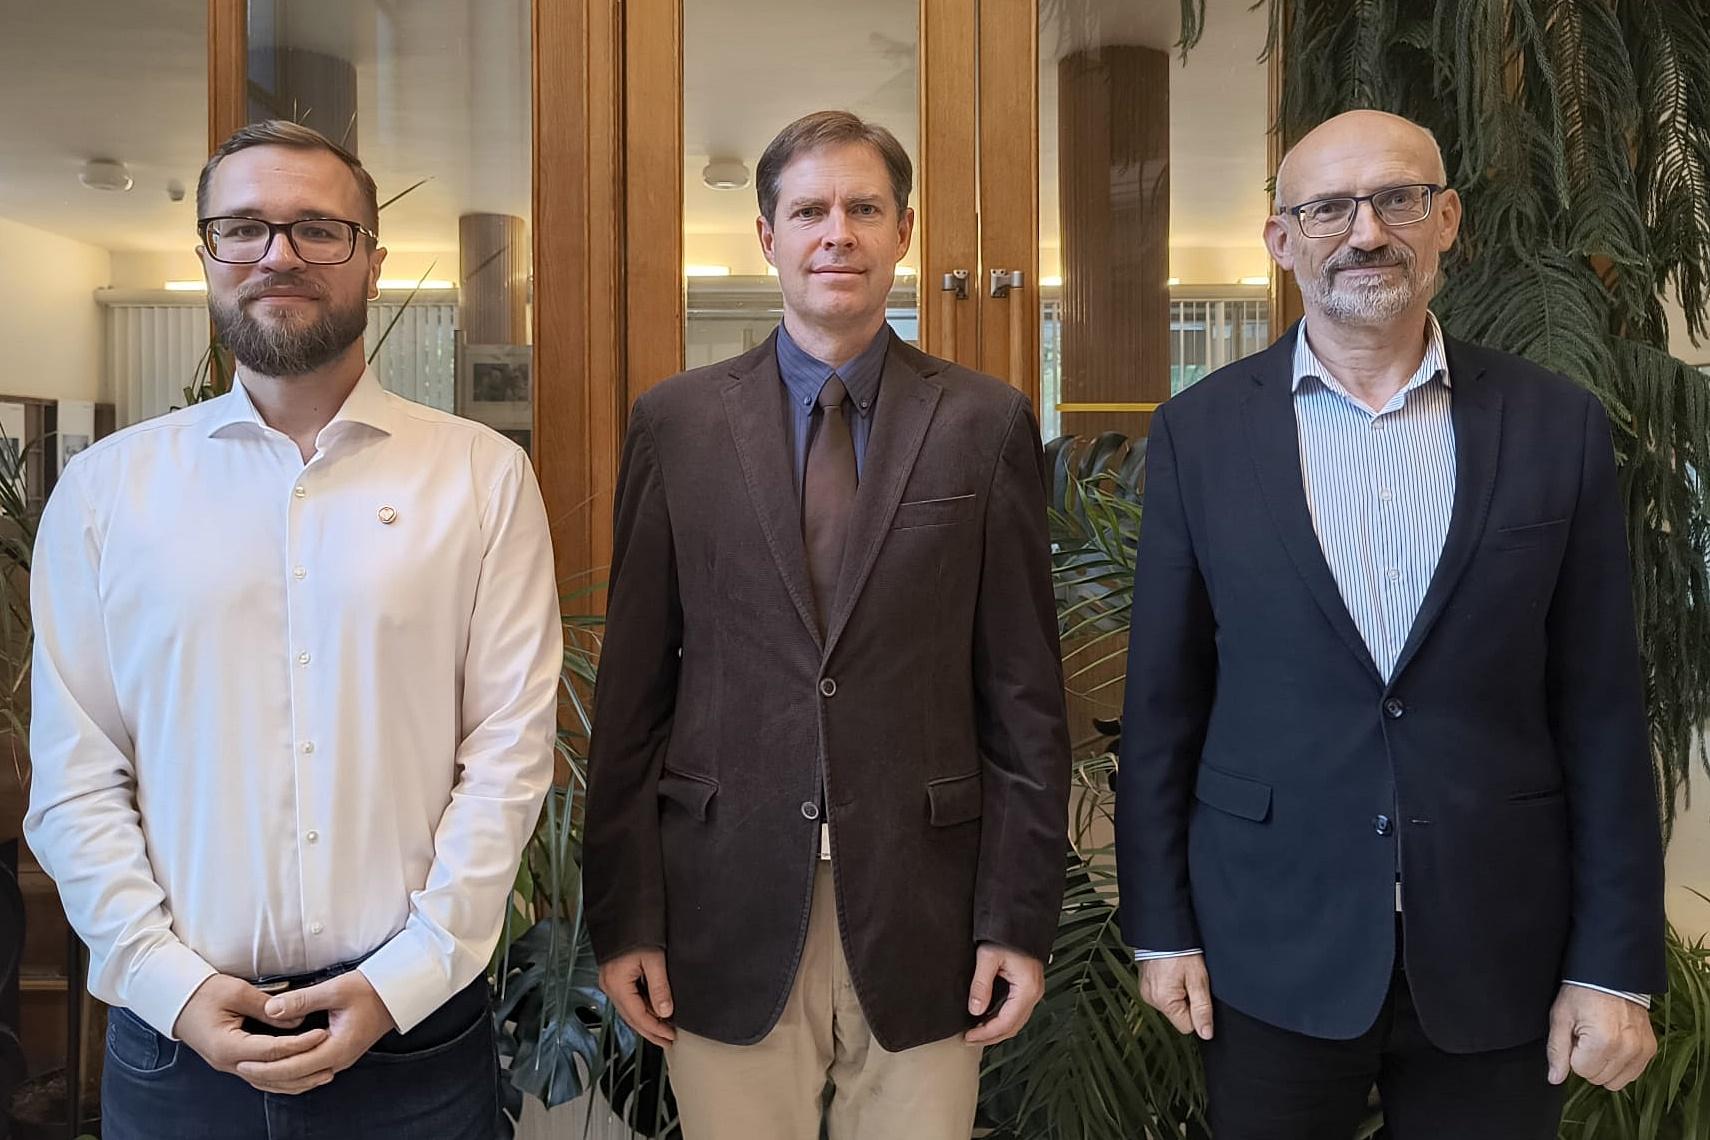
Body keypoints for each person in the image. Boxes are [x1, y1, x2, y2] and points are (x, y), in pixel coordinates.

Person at [1117, 109, 1665, 1139]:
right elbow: (1163, 705)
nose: (1365, 232)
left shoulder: (1556, 425)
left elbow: (1600, 708)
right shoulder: (1201, 433)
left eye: (1397, 199)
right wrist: (1160, 929)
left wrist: (1611, 965)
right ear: (1282, 240)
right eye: (1328, 208)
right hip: (1269, 941)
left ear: (1446, 219)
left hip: (1500, 945)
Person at [25, 120, 561, 1139]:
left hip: (416, 1039)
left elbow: (507, 756)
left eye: (318, 228)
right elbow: (78, 775)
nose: (279, 254)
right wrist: (170, 983)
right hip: (177, 1042)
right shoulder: (105, 493)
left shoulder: (480, 478)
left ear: (372, 258)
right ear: (205, 254)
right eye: (244, 227)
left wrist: (407, 978)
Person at [583, 109, 1071, 1140]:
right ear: (768, 235)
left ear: (903, 232)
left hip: (928, 911)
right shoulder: (677, 423)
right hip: (722, 903)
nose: (836, 233)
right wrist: (625, 915)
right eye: (809, 211)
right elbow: (632, 697)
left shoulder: (984, 423)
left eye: (863, 209)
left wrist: (1017, 919)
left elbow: (1023, 699)